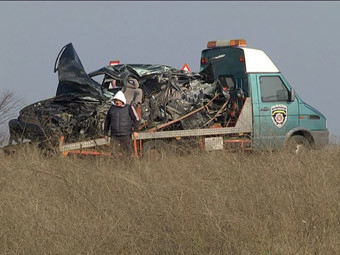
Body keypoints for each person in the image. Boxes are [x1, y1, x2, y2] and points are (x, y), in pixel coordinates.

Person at [104, 90, 140, 155]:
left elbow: (136, 119)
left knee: (127, 154)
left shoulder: (129, 107)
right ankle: (116, 165)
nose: (117, 102)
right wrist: (106, 134)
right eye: (116, 100)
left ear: (122, 100)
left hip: (126, 135)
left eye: (118, 100)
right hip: (114, 136)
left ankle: (127, 165)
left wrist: (136, 130)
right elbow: (107, 121)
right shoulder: (112, 108)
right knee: (114, 154)